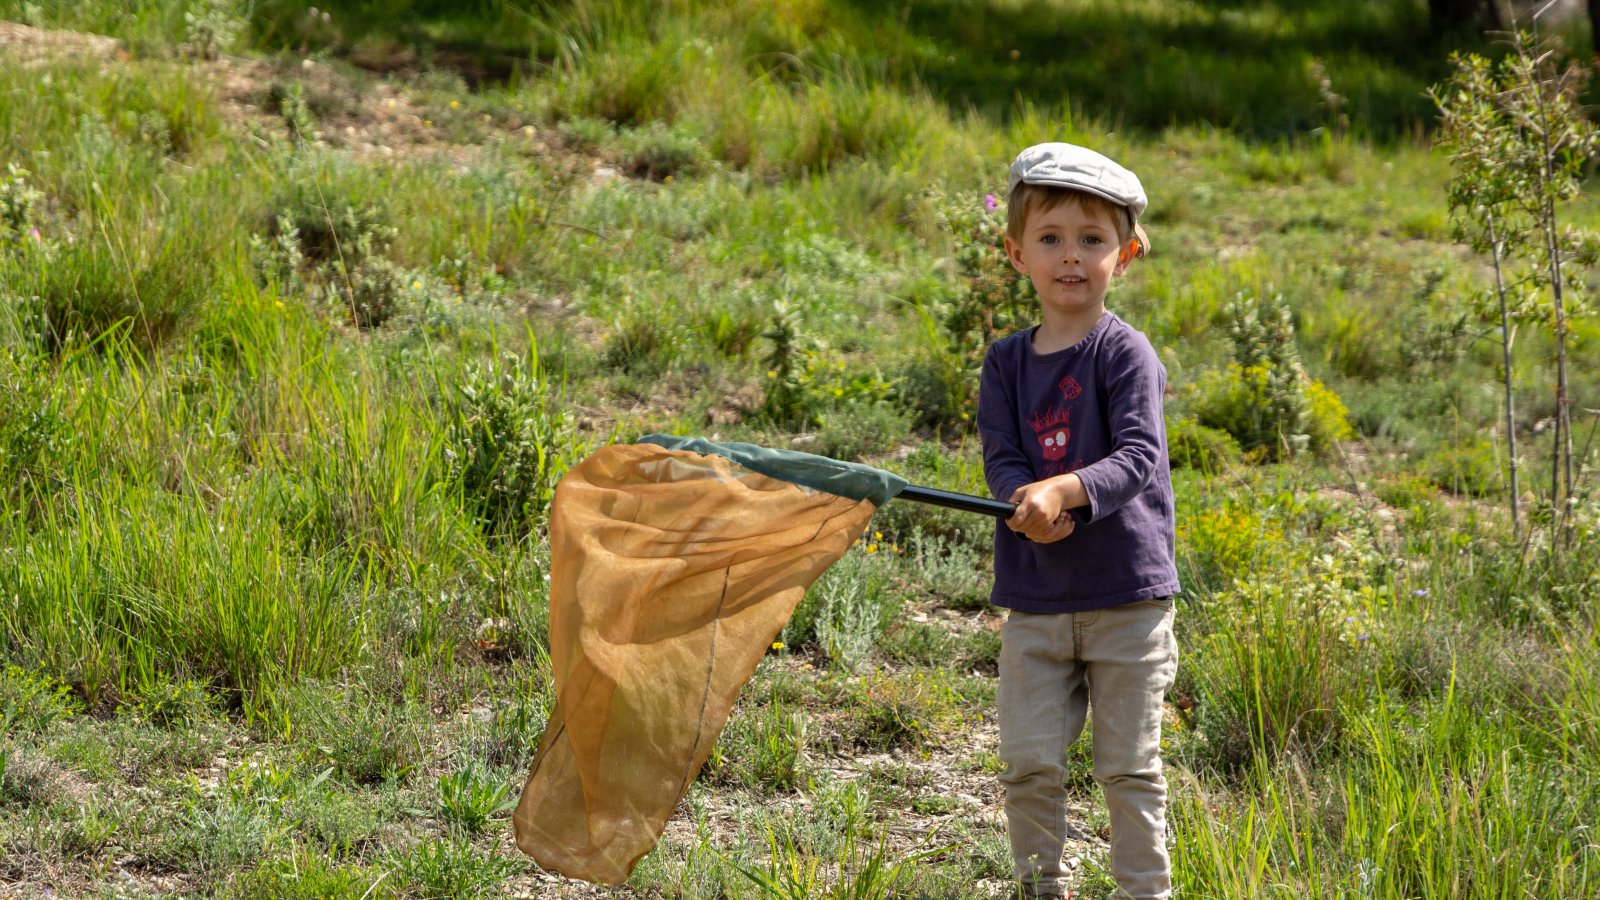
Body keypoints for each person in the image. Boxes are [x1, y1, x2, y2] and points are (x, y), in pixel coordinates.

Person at [977, 142, 1180, 900]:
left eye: (1092, 241)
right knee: (1028, 763)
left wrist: (1063, 492)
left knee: (1128, 767)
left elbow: (1137, 458)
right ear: (1016, 251)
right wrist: (1026, 504)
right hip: (1035, 601)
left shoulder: (1124, 353)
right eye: (1051, 239)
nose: (1071, 258)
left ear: (1123, 256)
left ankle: (1143, 893)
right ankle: (1039, 888)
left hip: (1127, 599)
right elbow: (1002, 461)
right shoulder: (1004, 363)